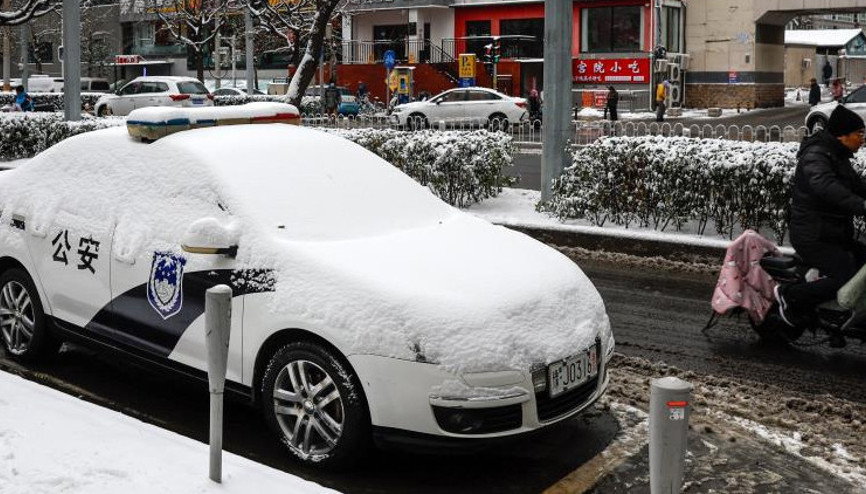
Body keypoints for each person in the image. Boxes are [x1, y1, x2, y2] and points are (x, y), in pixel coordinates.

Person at [777, 105, 866, 345]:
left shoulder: (837, 155)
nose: (863, 139)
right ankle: (789, 295)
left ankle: (851, 317)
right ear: (842, 135)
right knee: (845, 274)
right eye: (859, 134)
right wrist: (862, 206)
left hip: (834, 233)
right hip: (813, 235)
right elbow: (826, 187)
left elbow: (858, 186)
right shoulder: (817, 154)